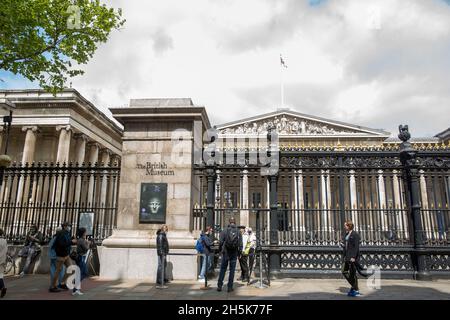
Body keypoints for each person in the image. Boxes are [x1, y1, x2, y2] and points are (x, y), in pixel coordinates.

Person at [49, 222, 77, 293]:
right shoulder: (61, 233)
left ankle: (62, 283)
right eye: (69, 226)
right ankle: (52, 286)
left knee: (71, 268)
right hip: (61, 255)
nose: (70, 227)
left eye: (70, 226)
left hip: (66, 255)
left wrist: (72, 241)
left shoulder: (67, 233)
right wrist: (71, 241)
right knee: (58, 270)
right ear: (64, 226)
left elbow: (67, 242)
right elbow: (62, 244)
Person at [217, 217, 242, 293]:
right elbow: (241, 244)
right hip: (234, 253)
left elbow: (220, 242)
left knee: (223, 269)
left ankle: (220, 285)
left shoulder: (224, 230)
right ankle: (230, 287)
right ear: (234, 222)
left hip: (225, 253)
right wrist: (239, 253)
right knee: (232, 271)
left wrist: (220, 250)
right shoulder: (238, 231)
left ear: (229, 222)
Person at [341, 220, 361, 297]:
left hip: (352, 257)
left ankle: (355, 289)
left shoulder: (355, 234)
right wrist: (343, 245)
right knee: (344, 271)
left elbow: (356, 247)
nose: (344, 226)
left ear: (349, 226)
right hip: (347, 256)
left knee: (352, 273)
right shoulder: (347, 234)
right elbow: (348, 244)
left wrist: (353, 257)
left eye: (345, 225)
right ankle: (354, 287)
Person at [72, 227, 91, 295]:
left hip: (80, 257)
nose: (86, 233)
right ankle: (75, 282)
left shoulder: (81, 240)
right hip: (81, 258)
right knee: (84, 273)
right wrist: (88, 243)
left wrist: (86, 242)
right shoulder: (81, 240)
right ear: (83, 233)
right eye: (85, 232)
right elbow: (86, 248)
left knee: (79, 273)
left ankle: (75, 289)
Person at [0, 228, 7, 298]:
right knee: (0, 275)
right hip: (3, 260)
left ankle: (2, 287)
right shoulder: (4, 241)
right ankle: (2, 287)